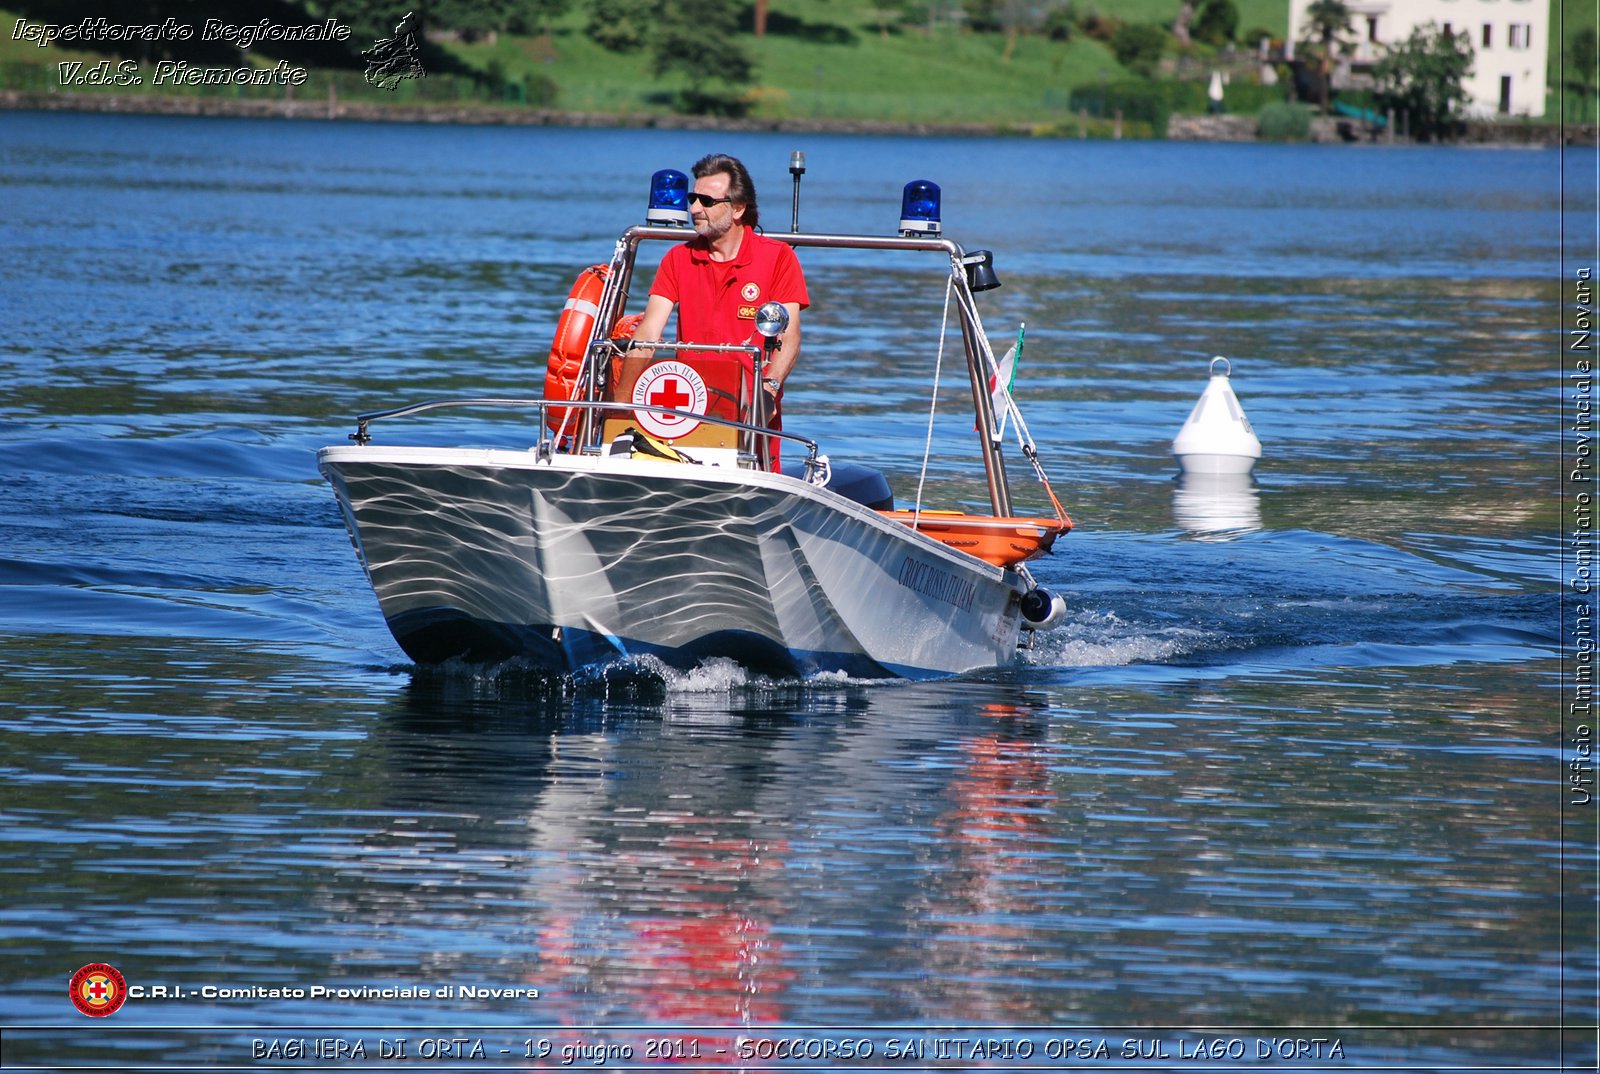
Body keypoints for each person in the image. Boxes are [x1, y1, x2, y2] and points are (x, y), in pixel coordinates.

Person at [619, 153, 809, 462]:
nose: (694, 208)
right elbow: (648, 333)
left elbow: (790, 337)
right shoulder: (676, 259)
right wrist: (620, 410)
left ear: (737, 208)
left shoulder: (779, 258)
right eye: (693, 198)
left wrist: (769, 390)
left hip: (750, 417)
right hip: (685, 413)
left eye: (706, 201)